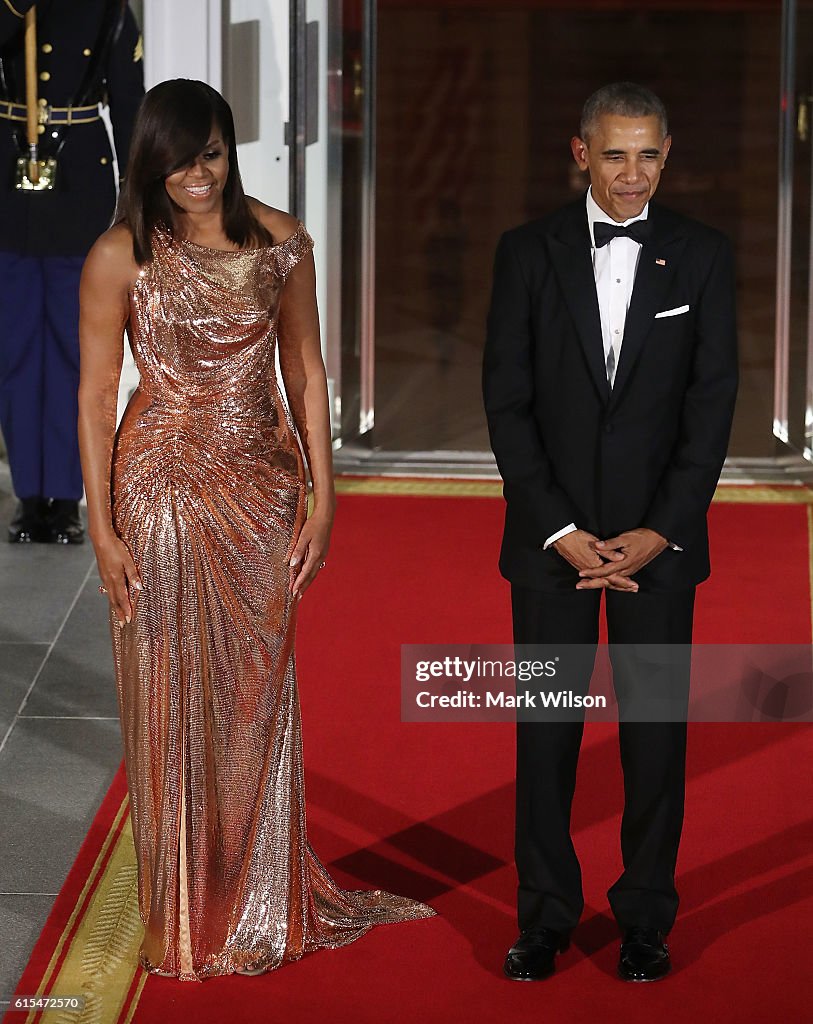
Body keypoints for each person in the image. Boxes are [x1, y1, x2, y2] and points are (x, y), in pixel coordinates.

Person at [77, 79, 434, 981]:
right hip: (155, 486)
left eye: (210, 154)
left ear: (231, 151)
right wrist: (101, 526)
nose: (196, 175)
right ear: (149, 162)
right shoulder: (120, 254)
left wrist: (324, 492)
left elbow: (307, 371)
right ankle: (184, 912)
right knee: (164, 698)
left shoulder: (279, 240)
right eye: (178, 158)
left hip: (261, 491)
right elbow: (91, 399)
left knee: (254, 701)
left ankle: (259, 898)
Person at [483, 82, 738, 983]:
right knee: (545, 737)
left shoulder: (704, 257)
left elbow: (711, 410)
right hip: (550, 548)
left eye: (649, 156)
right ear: (579, 152)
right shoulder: (524, 254)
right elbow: (506, 405)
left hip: (656, 553)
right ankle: (545, 916)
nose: (633, 176)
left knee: (654, 739)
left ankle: (645, 917)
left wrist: (658, 533)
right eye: (615, 155)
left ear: (667, 154)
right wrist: (557, 529)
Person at [0, 0, 143, 544]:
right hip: (10, 187)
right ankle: (28, 495)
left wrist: (138, 193)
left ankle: (63, 497)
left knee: (69, 350)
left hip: (77, 179)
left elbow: (129, 100)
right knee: (14, 350)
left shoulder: (107, 8)